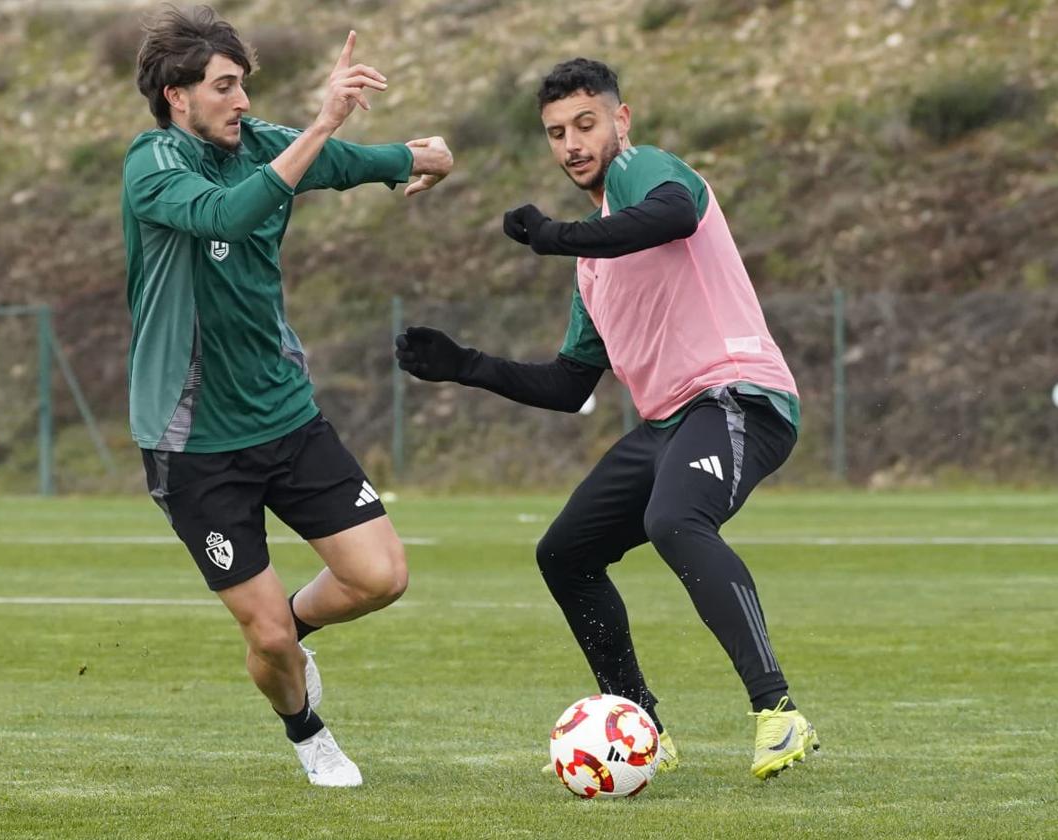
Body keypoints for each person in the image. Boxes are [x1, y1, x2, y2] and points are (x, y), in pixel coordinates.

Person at [395, 58, 819, 780]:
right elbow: (568, 386)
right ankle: (640, 722)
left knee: (674, 520)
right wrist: (464, 364)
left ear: (621, 121)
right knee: (563, 553)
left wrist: (554, 234)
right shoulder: (592, 265)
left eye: (586, 124)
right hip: (668, 424)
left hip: (738, 397)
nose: (572, 144)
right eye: (557, 132)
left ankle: (778, 713)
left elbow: (674, 213)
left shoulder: (642, 169)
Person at [123, 6, 452, 787]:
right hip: (193, 443)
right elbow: (232, 212)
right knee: (262, 640)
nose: (241, 101)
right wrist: (322, 120)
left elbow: (344, 162)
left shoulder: (260, 143)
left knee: (381, 578)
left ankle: (293, 631)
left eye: (244, 85)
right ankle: (308, 733)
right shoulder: (155, 162)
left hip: (286, 416)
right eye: (224, 87)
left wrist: (417, 154)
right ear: (178, 95)